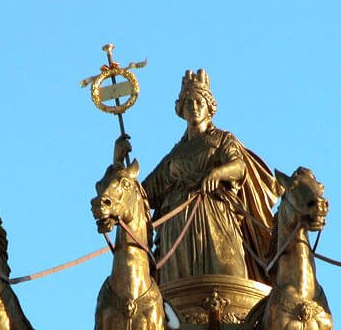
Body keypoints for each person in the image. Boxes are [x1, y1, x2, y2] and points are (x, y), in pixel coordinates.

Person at [116, 69, 281, 284]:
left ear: (209, 108)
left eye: (198, 102)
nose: (194, 107)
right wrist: (118, 160)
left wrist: (218, 172)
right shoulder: (175, 155)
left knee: (226, 276)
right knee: (177, 284)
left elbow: (239, 166)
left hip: (214, 214)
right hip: (177, 225)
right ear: (181, 110)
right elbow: (142, 194)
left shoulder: (222, 139)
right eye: (188, 103)